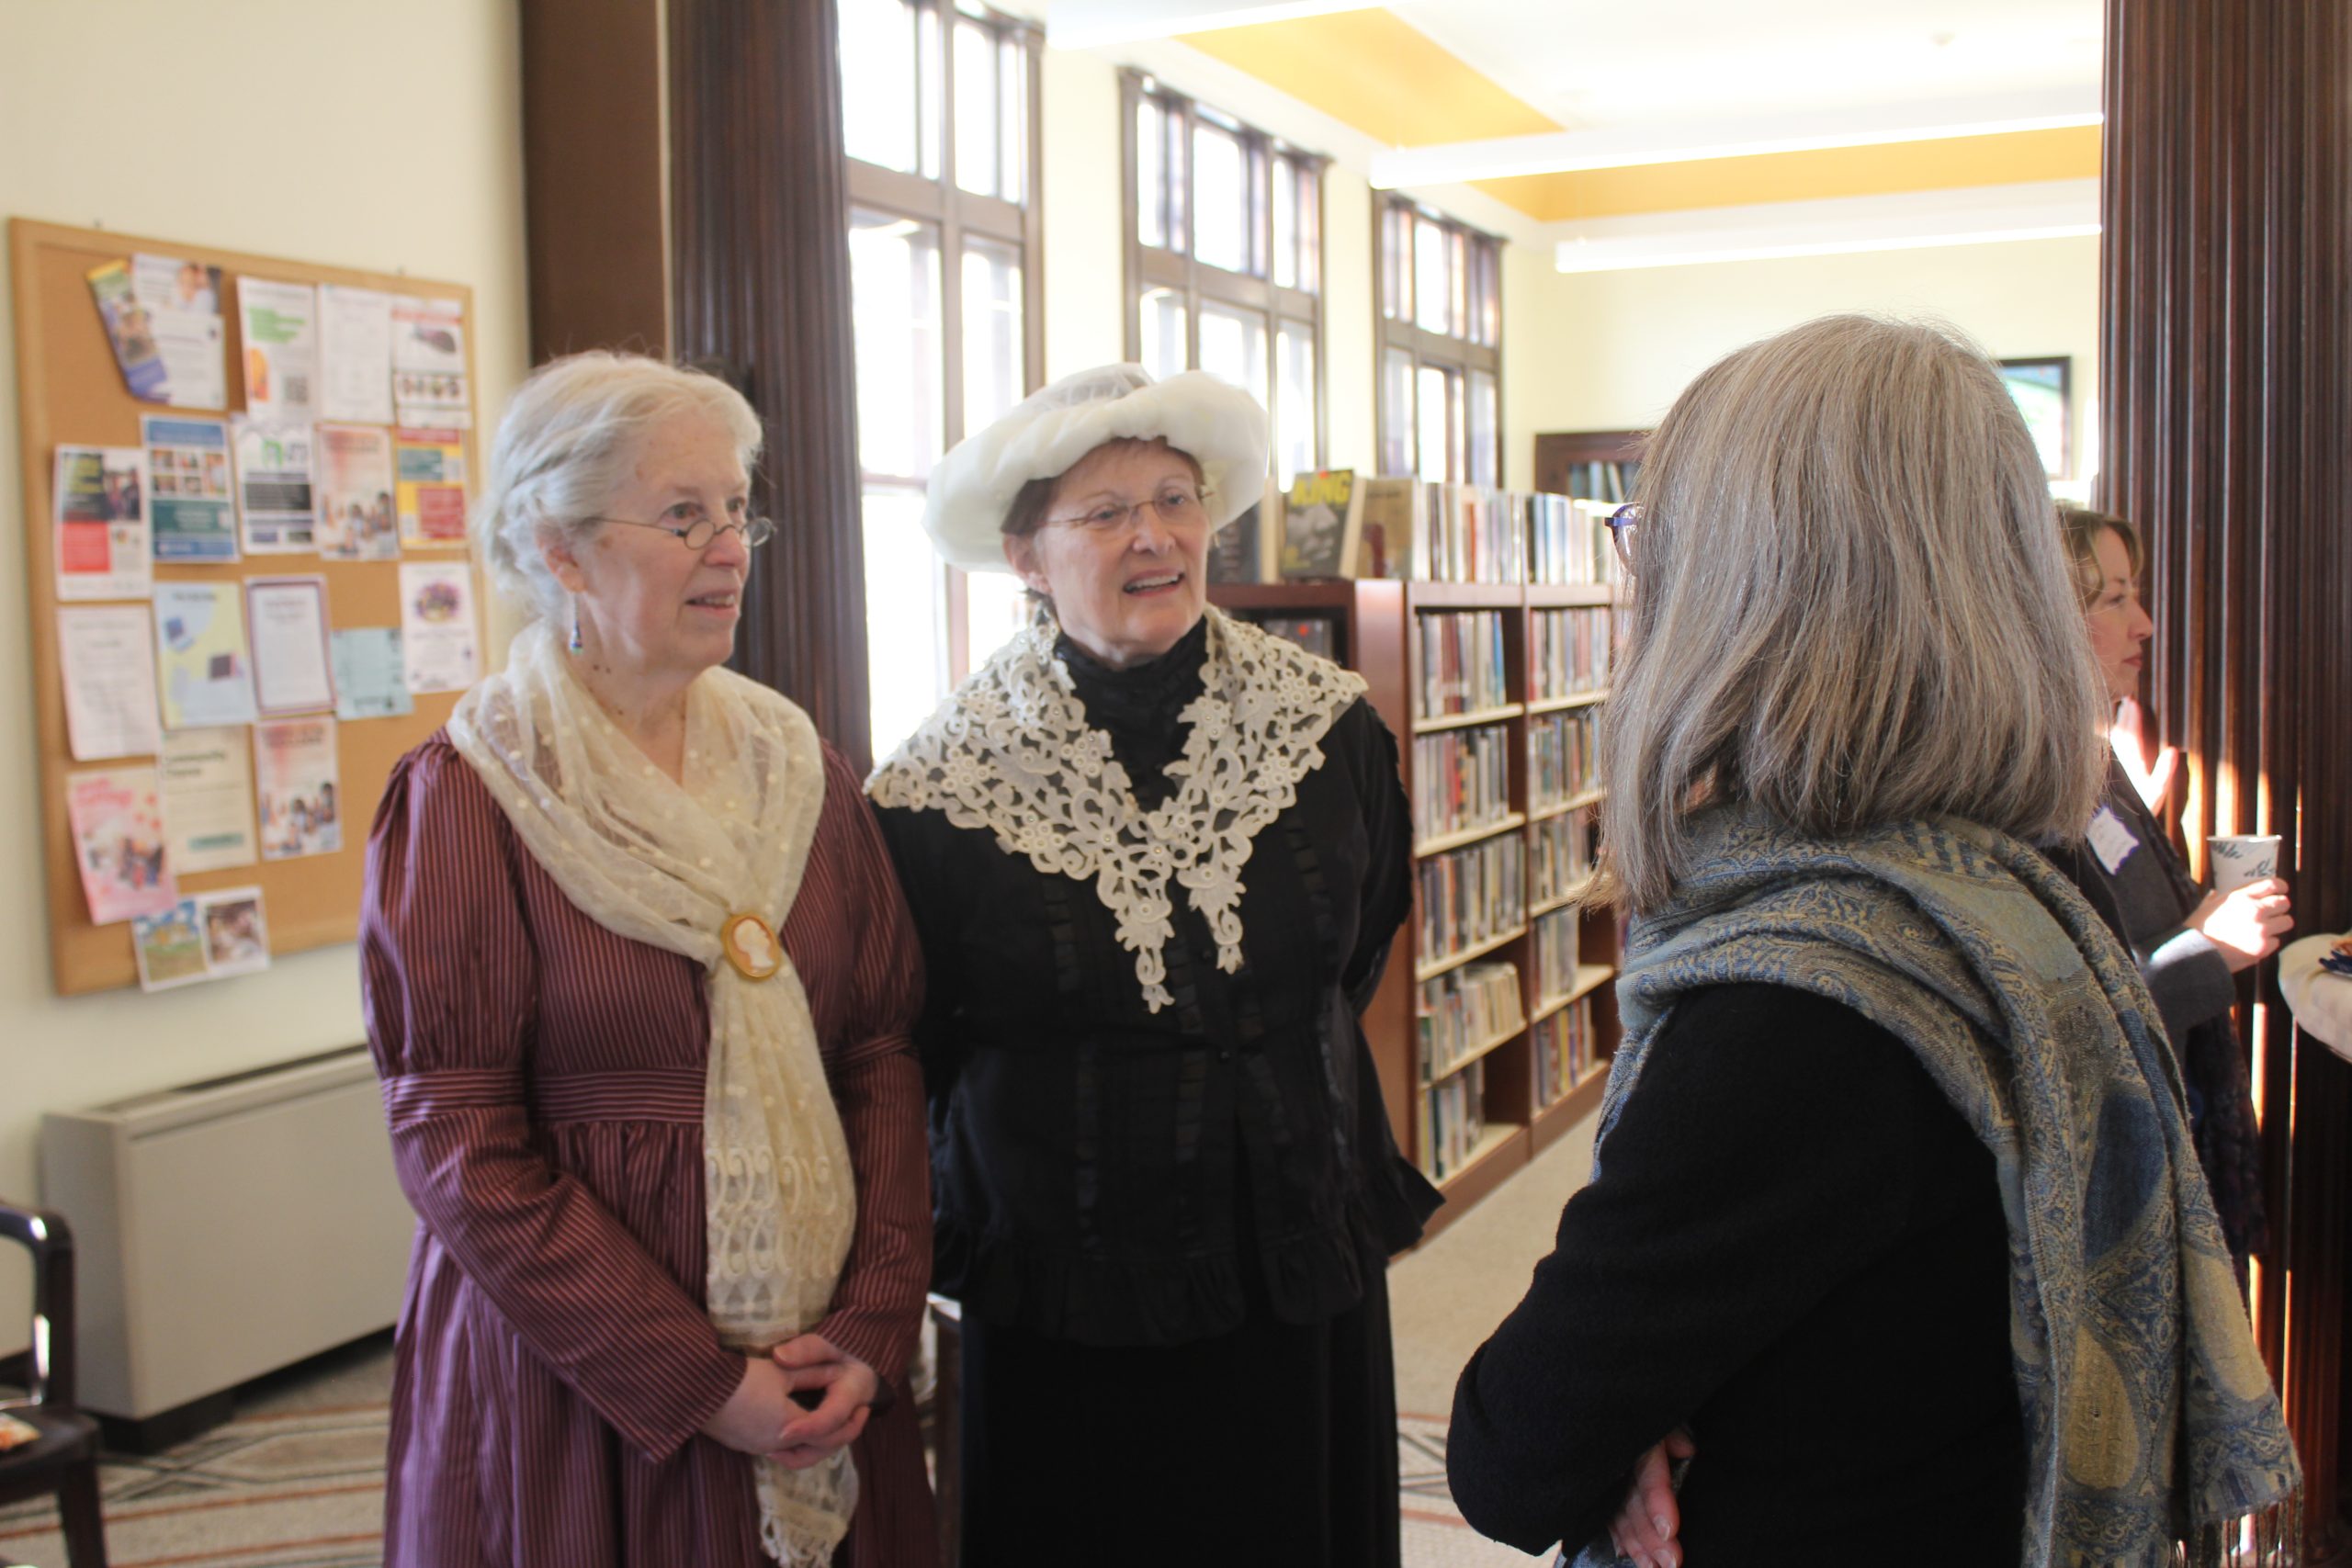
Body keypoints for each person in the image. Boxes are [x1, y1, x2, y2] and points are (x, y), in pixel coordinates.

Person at [1446, 316, 2298, 1568]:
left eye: (1652, 536)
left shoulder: (1807, 997)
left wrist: (1621, 1417)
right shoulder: (2013, 881)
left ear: (1750, 584)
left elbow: (1514, 1448)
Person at [360, 353, 935, 1567]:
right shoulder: (467, 796)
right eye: (684, 515)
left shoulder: (802, 768)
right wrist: (696, 1377)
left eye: (737, 510)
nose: (730, 547)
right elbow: (457, 1137)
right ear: (559, 547)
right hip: (582, 1384)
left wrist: (875, 1316)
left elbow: (878, 1048)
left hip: (823, 1348)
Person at [865, 364, 1440, 1566]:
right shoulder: (939, 784)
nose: (1156, 535)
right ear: (1025, 554)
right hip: (1070, 1275)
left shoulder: (1329, 725)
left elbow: (1361, 940)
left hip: (1293, 1232)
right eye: (1107, 510)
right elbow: (913, 1038)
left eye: (1177, 498)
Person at [2041, 505, 2291, 1270]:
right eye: (2114, 599)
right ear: (2045, 611)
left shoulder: (2095, 761)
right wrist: (2208, 950)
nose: (2144, 623)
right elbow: (2064, 1028)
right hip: (2116, 1199)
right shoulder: (2031, 788)